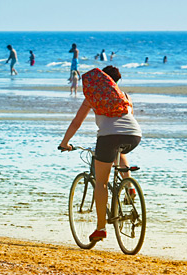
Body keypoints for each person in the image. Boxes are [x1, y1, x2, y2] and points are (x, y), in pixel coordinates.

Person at [59, 65, 141, 242]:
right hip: (135, 135)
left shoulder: (93, 96)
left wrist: (64, 143)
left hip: (108, 138)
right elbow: (127, 119)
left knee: (101, 183)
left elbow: (76, 123)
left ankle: (101, 228)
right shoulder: (125, 96)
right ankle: (129, 186)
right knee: (120, 149)